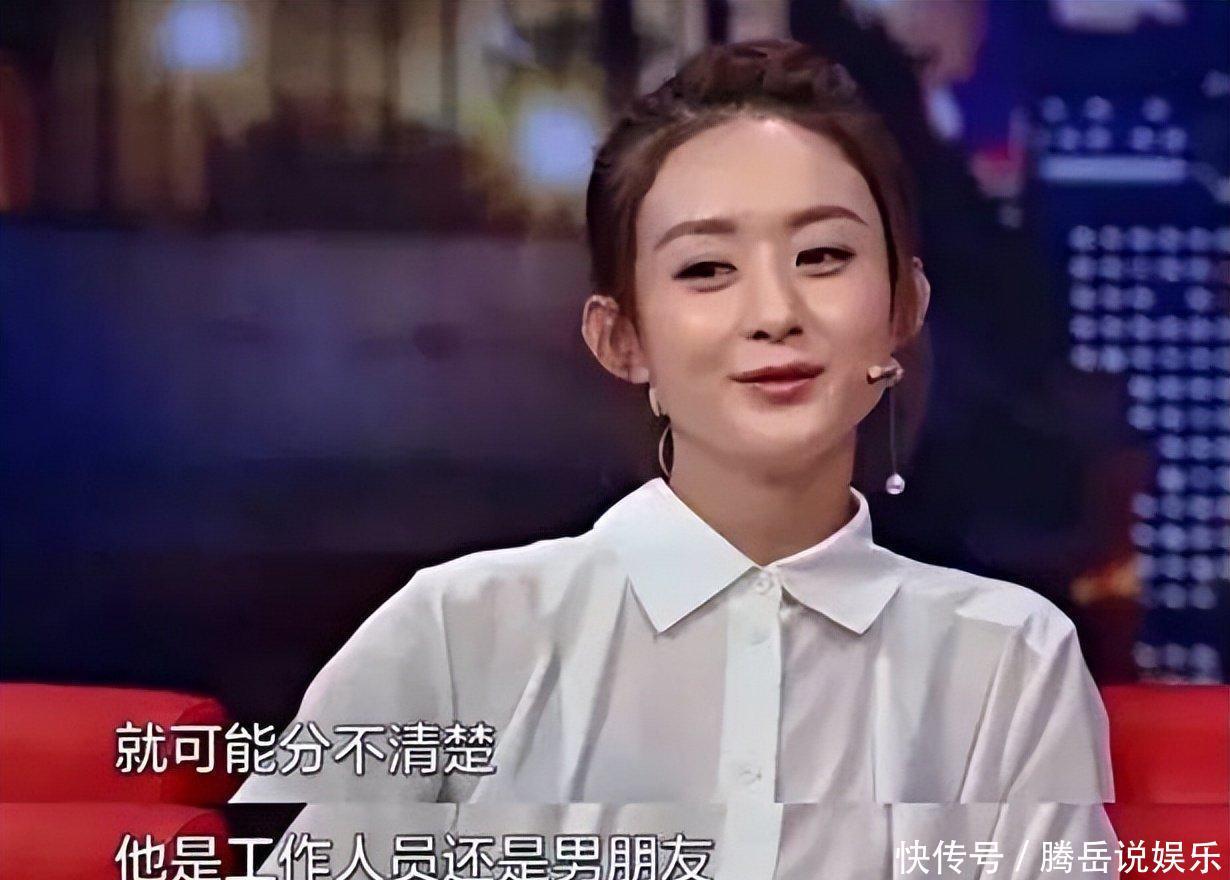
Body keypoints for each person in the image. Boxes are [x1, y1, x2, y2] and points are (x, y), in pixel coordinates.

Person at [232, 39, 1116, 879]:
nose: (774, 312)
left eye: (822, 256)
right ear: (622, 338)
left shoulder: (1009, 659)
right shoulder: (456, 633)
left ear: (902, 308)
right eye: (706, 269)